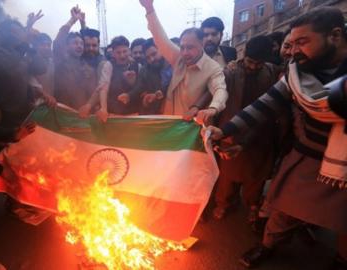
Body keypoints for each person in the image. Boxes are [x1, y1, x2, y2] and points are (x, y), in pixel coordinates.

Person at [203, 7, 347, 269]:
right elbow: (264, 105)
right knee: (283, 210)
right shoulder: (297, 73)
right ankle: (267, 247)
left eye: (302, 42)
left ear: (335, 36)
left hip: (343, 165)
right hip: (307, 157)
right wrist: (225, 130)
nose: (292, 51)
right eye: (290, 44)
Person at [212, 36, 281, 226]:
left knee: (255, 176)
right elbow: (219, 99)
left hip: (260, 131)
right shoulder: (230, 72)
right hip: (231, 129)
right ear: (244, 55)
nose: (253, 67)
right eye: (250, 62)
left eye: (258, 63)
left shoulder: (271, 72)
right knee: (227, 175)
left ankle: (253, 205)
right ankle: (224, 203)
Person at [139, 0, 228, 125]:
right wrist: (149, 9)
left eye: (190, 47)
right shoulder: (178, 58)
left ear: (202, 44)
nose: (185, 52)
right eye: (182, 47)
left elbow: (220, 89)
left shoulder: (213, 68)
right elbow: (160, 38)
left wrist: (213, 108)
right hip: (170, 121)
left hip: (193, 126)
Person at [126, 38, 171, 114]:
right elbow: (139, 87)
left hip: (173, 112)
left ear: (161, 49)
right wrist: (128, 95)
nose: (152, 59)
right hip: (153, 113)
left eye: (154, 54)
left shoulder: (172, 65)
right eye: (148, 57)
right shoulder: (145, 70)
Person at [106, 35, 140, 115]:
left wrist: (132, 84)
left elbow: (141, 89)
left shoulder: (137, 67)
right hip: (113, 115)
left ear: (129, 51)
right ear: (113, 53)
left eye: (124, 51)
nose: (122, 55)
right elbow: (104, 90)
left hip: (133, 114)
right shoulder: (108, 67)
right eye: (118, 52)